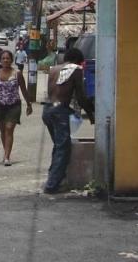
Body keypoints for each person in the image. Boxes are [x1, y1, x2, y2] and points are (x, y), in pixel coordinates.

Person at [41, 47, 94, 193]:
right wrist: (90, 113)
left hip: (47, 109)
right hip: (59, 112)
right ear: (78, 60)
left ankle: (57, 177)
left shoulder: (53, 69)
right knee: (63, 149)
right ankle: (52, 185)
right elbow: (81, 96)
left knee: (59, 146)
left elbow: (55, 92)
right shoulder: (76, 69)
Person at [0, 49, 32, 166]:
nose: (6, 60)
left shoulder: (17, 74)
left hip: (14, 105)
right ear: (1, 60)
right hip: (0, 104)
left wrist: (28, 104)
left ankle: (7, 157)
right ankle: (6, 152)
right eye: (3, 58)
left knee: (9, 128)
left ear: (12, 60)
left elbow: (23, 89)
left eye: (8, 58)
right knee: (3, 130)